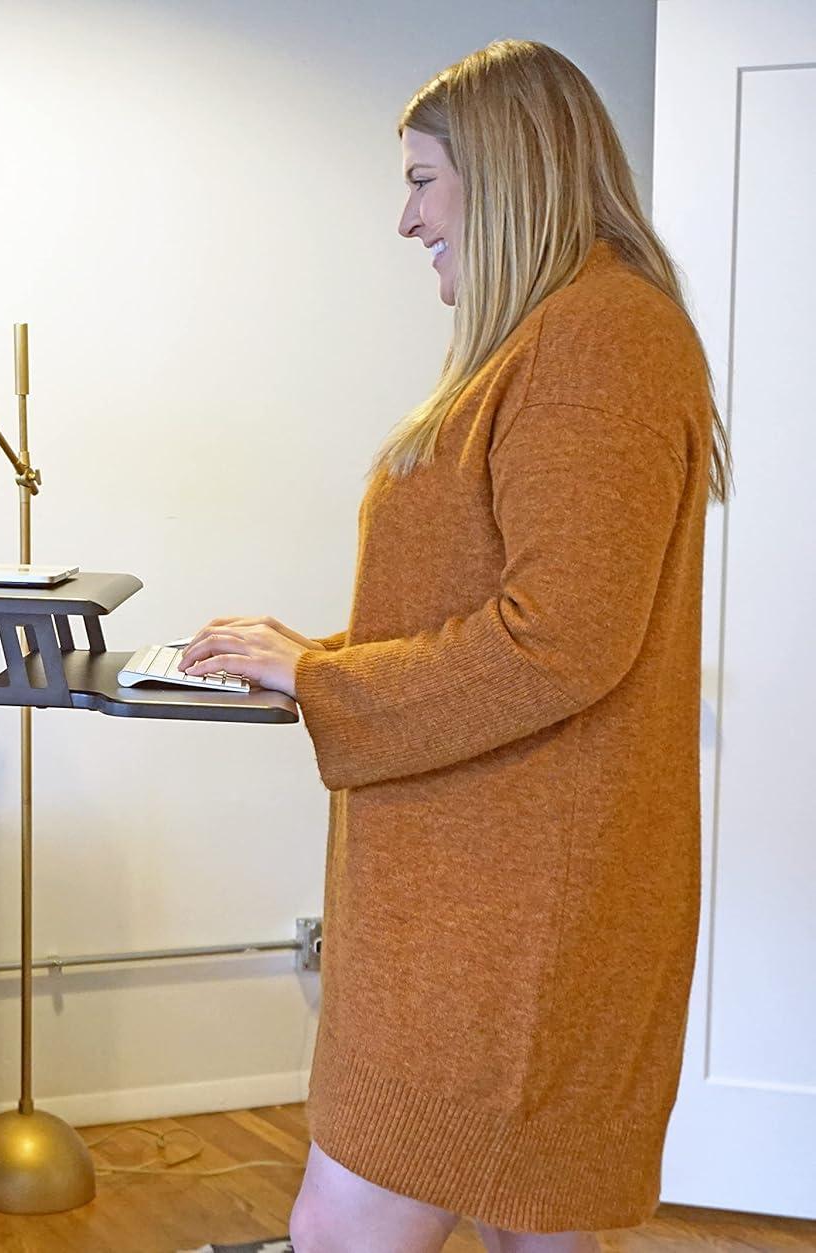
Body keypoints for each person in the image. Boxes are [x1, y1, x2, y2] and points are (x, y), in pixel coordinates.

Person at [178, 38, 731, 1253]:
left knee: (349, 1223)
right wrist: (313, 650)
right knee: (533, 1223)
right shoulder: (560, 334)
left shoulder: (600, 340)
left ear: (505, 170)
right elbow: (510, 604)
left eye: (424, 179)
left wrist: (322, 676)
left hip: (513, 904)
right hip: (481, 886)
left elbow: (560, 643)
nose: (405, 217)